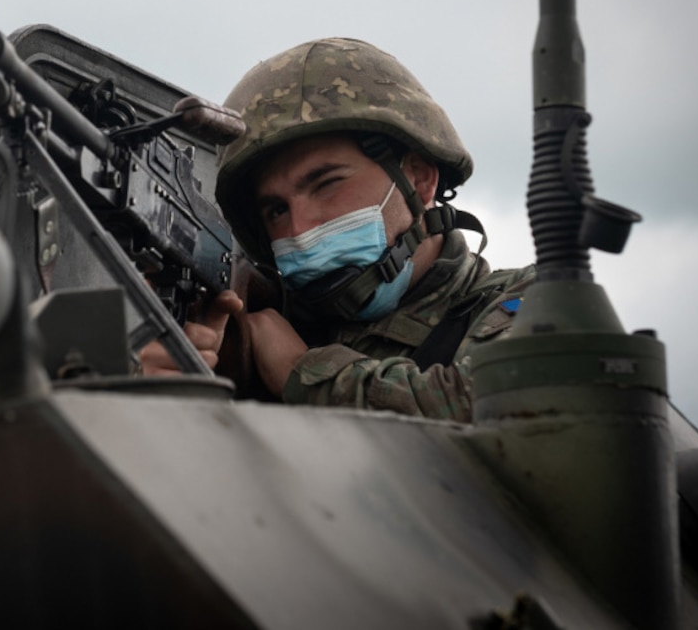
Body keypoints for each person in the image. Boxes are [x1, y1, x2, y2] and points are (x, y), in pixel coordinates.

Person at [140, 37, 533, 423]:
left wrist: (303, 372)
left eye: (326, 183)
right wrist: (161, 395)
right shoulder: (255, 328)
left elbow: (497, 407)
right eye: (276, 209)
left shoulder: (530, 301)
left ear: (419, 179)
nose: (300, 228)